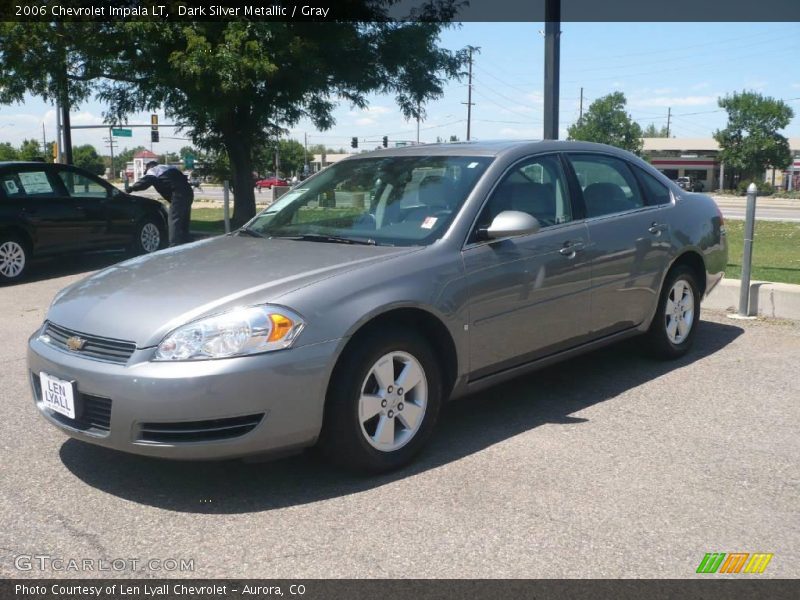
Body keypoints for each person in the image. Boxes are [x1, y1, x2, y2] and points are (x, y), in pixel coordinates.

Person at [127, 160, 194, 246]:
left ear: (149, 167)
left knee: (174, 219)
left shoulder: (154, 170)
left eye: (146, 171)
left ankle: (174, 244)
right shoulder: (169, 167)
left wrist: (131, 188)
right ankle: (186, 240)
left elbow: (145, 182)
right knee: (184, 217)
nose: (147, 173)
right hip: (188, 192)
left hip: (178, 195)